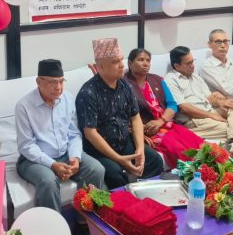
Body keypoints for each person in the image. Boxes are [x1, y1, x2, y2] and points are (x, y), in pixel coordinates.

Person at [15, 59, 105, 212]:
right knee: (48, 181)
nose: (58, 87)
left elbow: (74, 134)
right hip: (33, 160)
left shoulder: (67, 99)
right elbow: (27, 146)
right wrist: (53, 165)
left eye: (61, 82)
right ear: (38, 81)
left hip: (64, 154)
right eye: (52, 82)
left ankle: (85, 220)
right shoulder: (24, 106)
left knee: (96, 169)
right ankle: (54, 225)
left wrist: (75, 157)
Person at [76, 38, 163, 189]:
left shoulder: (125, 85)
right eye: (115, 62)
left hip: (123, 141)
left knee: (154, 160)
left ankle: (147, 198)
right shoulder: (88, 92)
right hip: (98, 150)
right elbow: (90, 133)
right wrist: (118, 159)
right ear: (100, 67)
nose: (122, 65)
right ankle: (125, 203)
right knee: (116, 174)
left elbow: (135, 118)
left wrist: (140, 150)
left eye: (121, 60)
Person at [124, 48, 204, 168]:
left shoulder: (158, 80)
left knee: (198, 143)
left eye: (148, 60)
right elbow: (123, 116)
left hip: (166, 124)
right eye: (140, 60)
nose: (145, 63)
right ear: (130, 63)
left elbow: (172, 105)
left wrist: (161, 121)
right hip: (148, 131)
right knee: (178, 149)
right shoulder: (123, 84)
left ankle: (211, 172)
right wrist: (139, 134)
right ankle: (192, 174)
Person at [164, 46, 233, 152]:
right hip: (194, 120)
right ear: (177, 66)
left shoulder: (195, 77)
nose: (193, 65)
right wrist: (212, 116)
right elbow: (184, 108)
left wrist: (221, 102)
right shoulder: (171, 80)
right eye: (188, 63)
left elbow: (210, 98)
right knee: (232, 129)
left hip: (210, 111)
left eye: (192, 61)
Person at [199, 29, 233, 112]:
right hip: (226, 107)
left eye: (225, 42)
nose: (222, 45)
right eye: (218, 42)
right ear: (209, 44)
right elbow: (228, 90)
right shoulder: (207, 66)